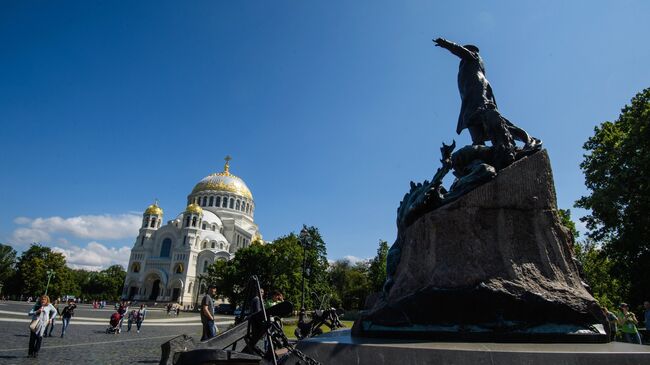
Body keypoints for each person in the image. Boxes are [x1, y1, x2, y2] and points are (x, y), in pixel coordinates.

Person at [433, 37, 541, 166]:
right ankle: (483, 161)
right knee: (473, 129)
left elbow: (460, 50)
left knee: (498, 124)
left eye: (466, 50)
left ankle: (529, 140)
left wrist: (446, 43)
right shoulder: (466, 67)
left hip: (478, 98)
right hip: (468, 103)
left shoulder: (473, 58)